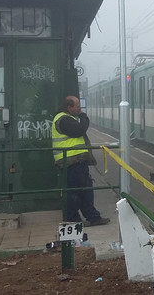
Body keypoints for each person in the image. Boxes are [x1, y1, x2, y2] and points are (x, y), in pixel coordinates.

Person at [52, 96, 110, 227]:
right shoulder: (63, 119)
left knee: (85, 190)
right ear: (69, 107)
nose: (80, 108)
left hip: (76, 160)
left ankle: (93, 217)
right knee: (74, 191)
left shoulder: (67, 118)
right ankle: (73, 220)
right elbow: (79, 130)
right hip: (71, 161)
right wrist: (84, 117)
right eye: (77, 106)